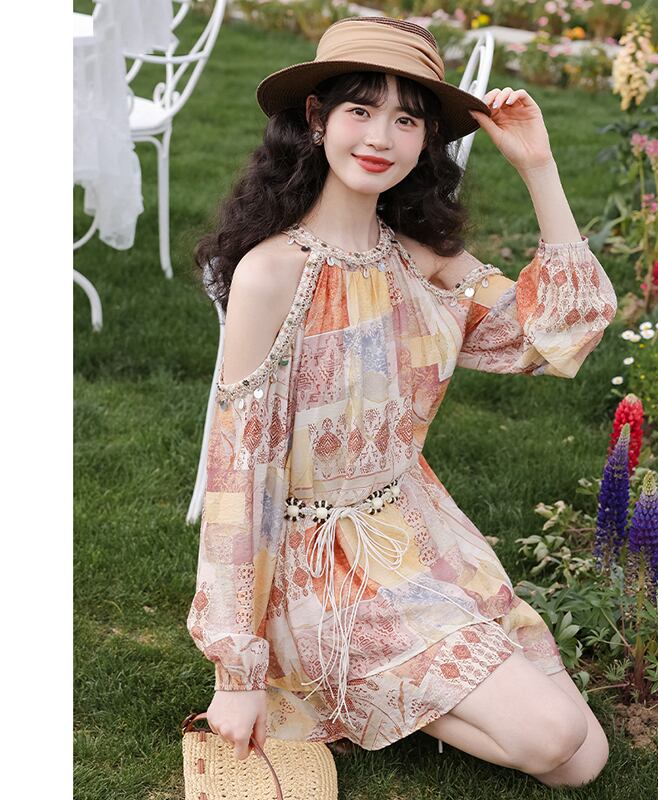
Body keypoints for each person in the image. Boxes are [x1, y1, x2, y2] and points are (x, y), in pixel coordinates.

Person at [187, 15, 616, 788]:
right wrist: (236, 672)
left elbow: (556, 336)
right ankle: (320, 677)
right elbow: (238, 476)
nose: (381, 136)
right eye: (360, 109)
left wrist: (539, 167)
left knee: (583, 759)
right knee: (555, 736)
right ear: (316, 118)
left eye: (407, 119)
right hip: (316, 565)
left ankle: (353, 694)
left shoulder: (423, 261)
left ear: (426, 141)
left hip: (417, 531)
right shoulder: (271, 275)